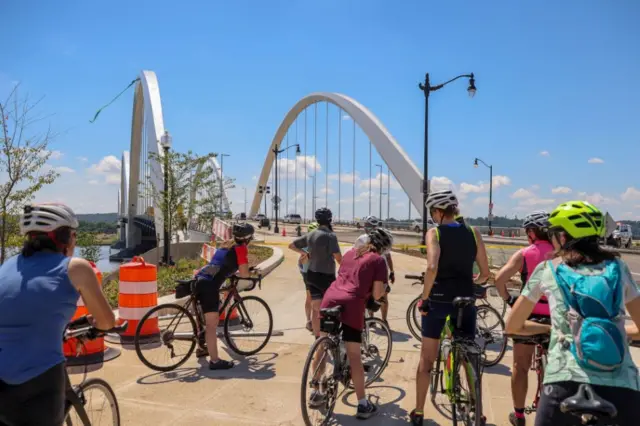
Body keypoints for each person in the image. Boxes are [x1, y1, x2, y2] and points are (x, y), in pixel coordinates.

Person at [505, 201, 640, 426]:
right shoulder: (618, 267)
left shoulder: (549, 269)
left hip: (564, 382)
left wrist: (553, 329)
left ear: (564, 238)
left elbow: (512, 325)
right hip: (622, 386)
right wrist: (617, 331)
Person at [0, 203, 116, 426]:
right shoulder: (76, 268)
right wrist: (96, 326)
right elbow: (107, 321)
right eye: (74, 235)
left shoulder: (7, 266)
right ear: (65, 237)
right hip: (38, 379)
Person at [410, 190, 490, 425]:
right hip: (465, 299)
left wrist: (424, 299)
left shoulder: (434, 233)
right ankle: (477, 409)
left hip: (439, 300)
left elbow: (432, 267)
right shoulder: (473, 232)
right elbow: (485, 272)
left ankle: (419, 411)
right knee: (468, 356)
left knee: (426, 360)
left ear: (437, 212)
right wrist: (473, 283)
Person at [313, 228, 392, 419]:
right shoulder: (378, 260)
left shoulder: (350, 253)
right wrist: (383, 291)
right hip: (352, 303)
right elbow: (377, 293)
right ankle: (363, 405)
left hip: (330, 298)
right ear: (383, 248)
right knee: (355, 355)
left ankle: (316, 391)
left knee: (322, 346)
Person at [494, 211, 554, 426]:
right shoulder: (561, 253)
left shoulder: (524, 253)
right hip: (555, 318)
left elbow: (499, 279)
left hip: (528, 317)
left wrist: (510, 300)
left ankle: (519, 415)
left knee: (520, 366)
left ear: (531, 232)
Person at [194, 222, 255, 370]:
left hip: (200, 279)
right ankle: (215, 361)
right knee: (211, 324)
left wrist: (232, 272)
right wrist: (255, 273)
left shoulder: (226, 245)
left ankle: (201, 347)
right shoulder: (241, 250)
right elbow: (245, 274)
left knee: (203, 317)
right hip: (210, 285)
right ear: (247, 239)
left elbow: (222, 265)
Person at [289, 208, 342, 338]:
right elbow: (339, 258)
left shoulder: (311, 235)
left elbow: (291, 245)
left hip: (312, 274)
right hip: (327, 276)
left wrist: (305, 253)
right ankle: (329, 336)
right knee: (330, 308)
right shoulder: (331, 236)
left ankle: (318, 338)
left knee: (315, 307)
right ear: (330, 220)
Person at [355, 216, 395, 324]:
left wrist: (392, 271)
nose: (370, 228)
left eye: (372, 226)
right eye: (369, 225)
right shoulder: (362, 239)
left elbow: (388, 256)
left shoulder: (381, 238)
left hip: (379, 271)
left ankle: (383, 320)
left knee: (382, 296)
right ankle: (373, 318)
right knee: (372, 296)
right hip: (370, 271)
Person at [299, 222, 319, 332]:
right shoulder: (306, 246)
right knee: (310, 297)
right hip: (308, 274)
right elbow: (302, 261)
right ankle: (308, 321)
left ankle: (314, 320)